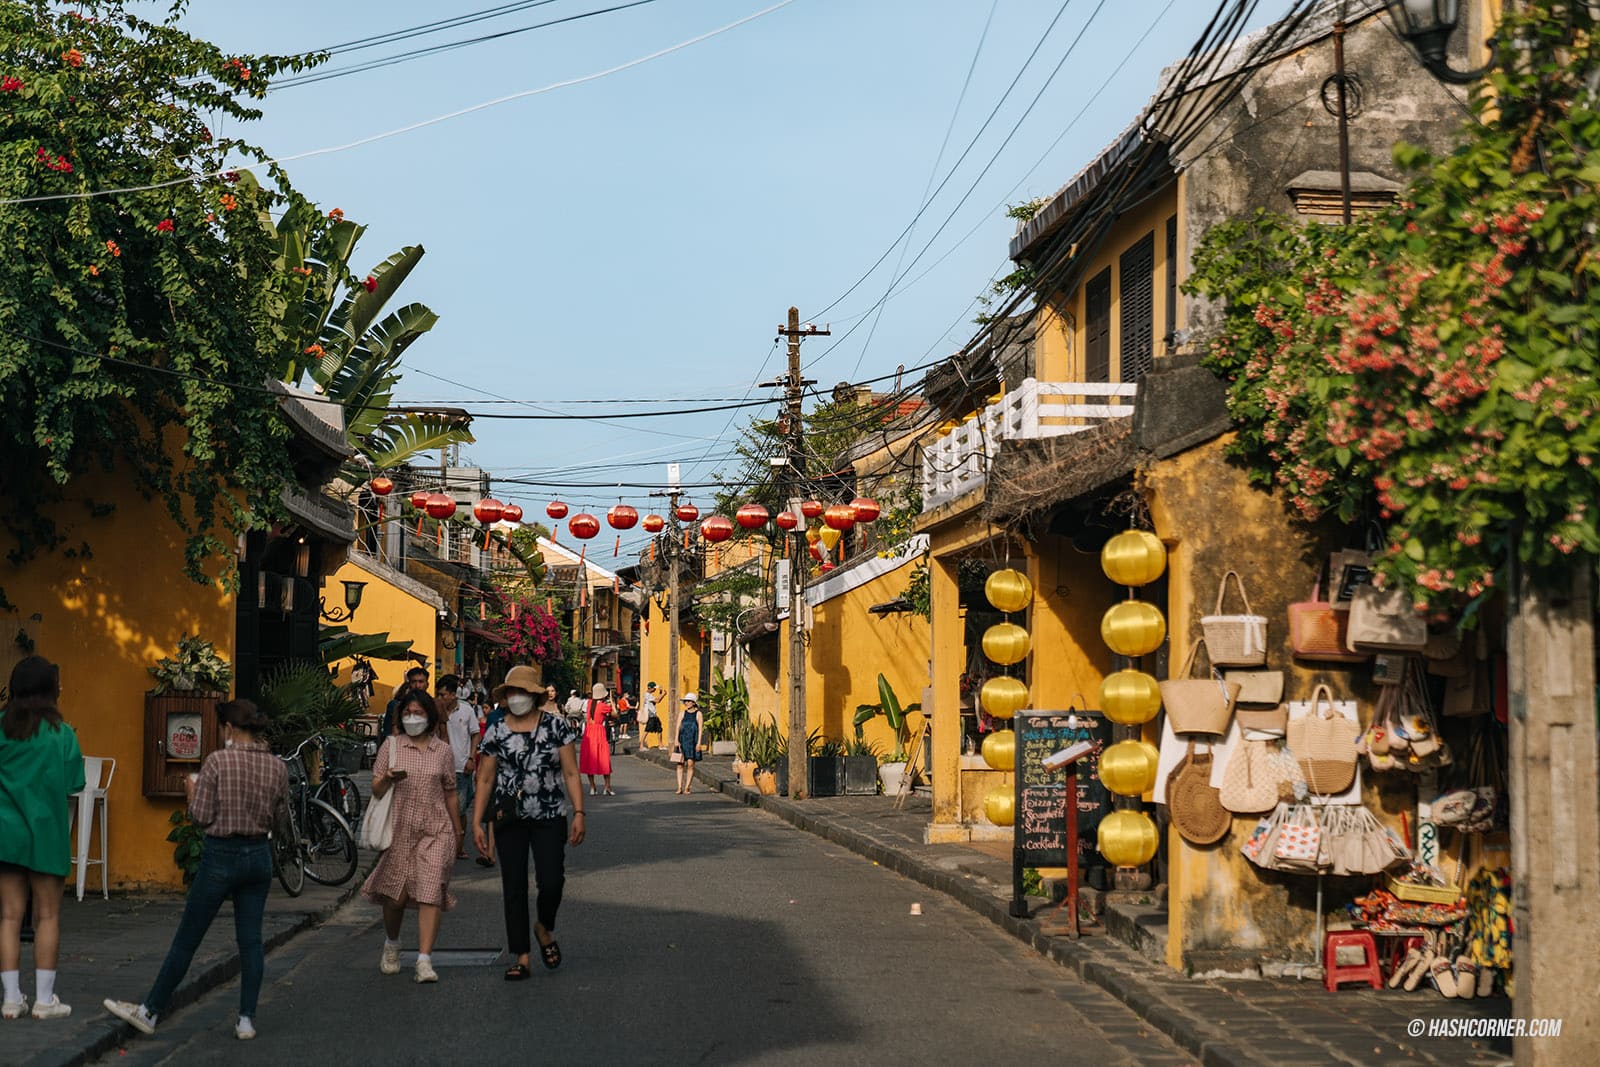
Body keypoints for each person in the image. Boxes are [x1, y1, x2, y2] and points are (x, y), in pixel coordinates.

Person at [103, 698, 288, 1041]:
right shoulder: (277, 767)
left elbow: (201, 817)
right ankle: (246, 1019)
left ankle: (150, 1011)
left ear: (229, 728)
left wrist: (192, 792)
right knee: (250, 940)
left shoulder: (217, 762)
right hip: (258, 856)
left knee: (188, 939)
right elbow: (280, 819)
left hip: (221, 855)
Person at [473, 665, 584, 980]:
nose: (516, 697)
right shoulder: (496, 730)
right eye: (512, 692)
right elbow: (485, 778)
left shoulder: (556, 727)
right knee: (514, 885)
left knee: (552, 880)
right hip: (509, 816)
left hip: (549, 814)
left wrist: (579, 812)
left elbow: (572, 772)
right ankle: (521, 956)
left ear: (534, 695)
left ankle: (543, 926)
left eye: (522, 692)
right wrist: (478, 822)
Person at [0, 656, 85, 1021]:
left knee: (8, 917)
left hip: (5, 834)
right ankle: (45, 1000)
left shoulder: (0, 728)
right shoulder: (63, 734)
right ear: (51, 691)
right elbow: (75, 784)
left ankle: (11, 999)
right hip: (47, 834)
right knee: (47, 915)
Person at [361, 691, 462, 984]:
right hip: (399, 830)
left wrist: (458, 830)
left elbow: (451, 792)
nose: (413, 718)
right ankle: (392, 944)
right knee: (396, 896)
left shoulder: (442, 751)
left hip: (435, 829)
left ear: (429, 717)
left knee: (431, 891)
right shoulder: (391, 747)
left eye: (419, 713)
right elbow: (377, 790)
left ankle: (424, 960)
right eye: (408, 713)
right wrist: (389, 777)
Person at [439, 675, 479, 863]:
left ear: (453, 695)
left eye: (444, 694)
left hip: (461, 766)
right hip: (439, 767)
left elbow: (475, 735)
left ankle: (459, 844)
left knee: (460, 809)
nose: (441, 698)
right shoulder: (435, 711)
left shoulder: (467, 710)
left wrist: (471, 758)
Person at [578, 683, 614, 796]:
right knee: (604, 759)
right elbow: (615, 714)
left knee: (590, 759)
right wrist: (612, 700)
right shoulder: (603, 706)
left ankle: (592, 787)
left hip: (589, 732)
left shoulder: (588, 704)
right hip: (599, 731)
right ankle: (607, 787)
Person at [379, 665, 429, 739]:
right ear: (409, 684)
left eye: (421, 682)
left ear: (427, 684)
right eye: (413, 682)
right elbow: (392, 733)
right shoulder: (398, 706)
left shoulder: (434, 705)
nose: (417, 685)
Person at [672, 692, 706, 795]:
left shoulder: (698, 714)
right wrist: (676, 740)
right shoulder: (682, 713)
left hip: (693, 741)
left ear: (693, 703)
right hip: (682, 740)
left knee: (690, 764)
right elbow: (678, 727)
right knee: (680, 763)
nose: (686, 703)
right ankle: (679, 786)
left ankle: (687, 787)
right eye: (685, 701)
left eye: (688, 701)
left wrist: (699, 742)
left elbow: (700, 729)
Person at [641, 682, 663, 749]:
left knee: (659, 729)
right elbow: (657, 700)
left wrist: (661, 693)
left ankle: (660, 744)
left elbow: (656, 701)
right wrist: (663, 694)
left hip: (653, 714)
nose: (655, 690)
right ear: (650, 688)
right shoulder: (648, 695)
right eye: (654, 688)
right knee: (647, 730)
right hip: (650, 715)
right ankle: (641, 745)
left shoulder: (649, 695)